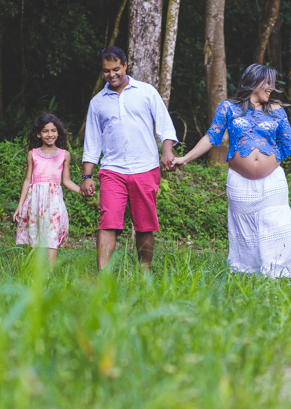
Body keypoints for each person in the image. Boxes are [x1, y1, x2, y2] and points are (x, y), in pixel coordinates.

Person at [172, 64, 291, 278]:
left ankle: (279, 273)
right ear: (254, 81)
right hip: (239, 182)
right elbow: (212, 136)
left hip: (272, 181)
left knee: (277, 224)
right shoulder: (228, 107)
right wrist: (185, 158)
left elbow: (290, 143)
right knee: (244, 231)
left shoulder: (276, 111)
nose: (272, 88)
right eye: (268, 83)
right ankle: (248, 272)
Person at [81, 46, 178, 271]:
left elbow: (165, 126)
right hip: (112, 170)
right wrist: (87, 175)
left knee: (144, 225)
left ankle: (145, 272)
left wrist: (167, 151)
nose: (111, 74)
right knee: (108, 223)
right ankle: (102, 277)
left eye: (116, 69)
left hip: (145, 168)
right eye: (106, 71)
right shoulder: (97, 102)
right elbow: (92, 142)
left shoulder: (146, 92)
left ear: (125, 65)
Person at [13, 113, 81, 267]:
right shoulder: (33, 154)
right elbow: (27, 180)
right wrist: (20, 205)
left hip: (54, 201)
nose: (50, 134)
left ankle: (50, 274)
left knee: (52, 235)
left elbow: (67, 181)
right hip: (35, 201)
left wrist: (81, 190)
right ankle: (34, 271)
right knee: (34, 234)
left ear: (58, 132)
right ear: (38, 134)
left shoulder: (65, 155)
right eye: (45, 131)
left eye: (53, 130)